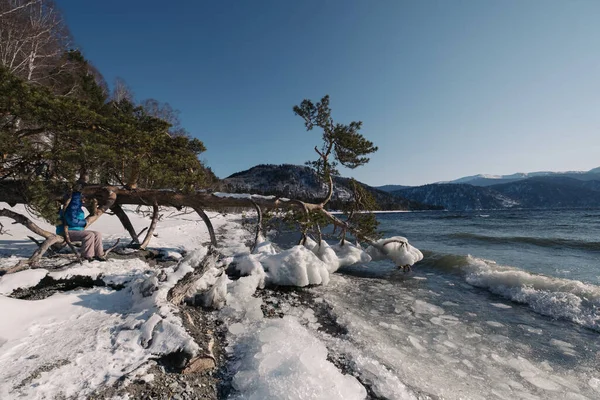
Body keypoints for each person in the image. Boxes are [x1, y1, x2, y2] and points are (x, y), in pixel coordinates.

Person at [56, 191, 106, 261]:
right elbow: (72, 221)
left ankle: (99, 255)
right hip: (66, 231)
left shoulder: (76, 207)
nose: (84, 200)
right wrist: (84, 222)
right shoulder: (70, 208)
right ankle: (87, 256)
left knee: (97, 234)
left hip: (75, 230)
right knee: (89, 235)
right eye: (82, 197)